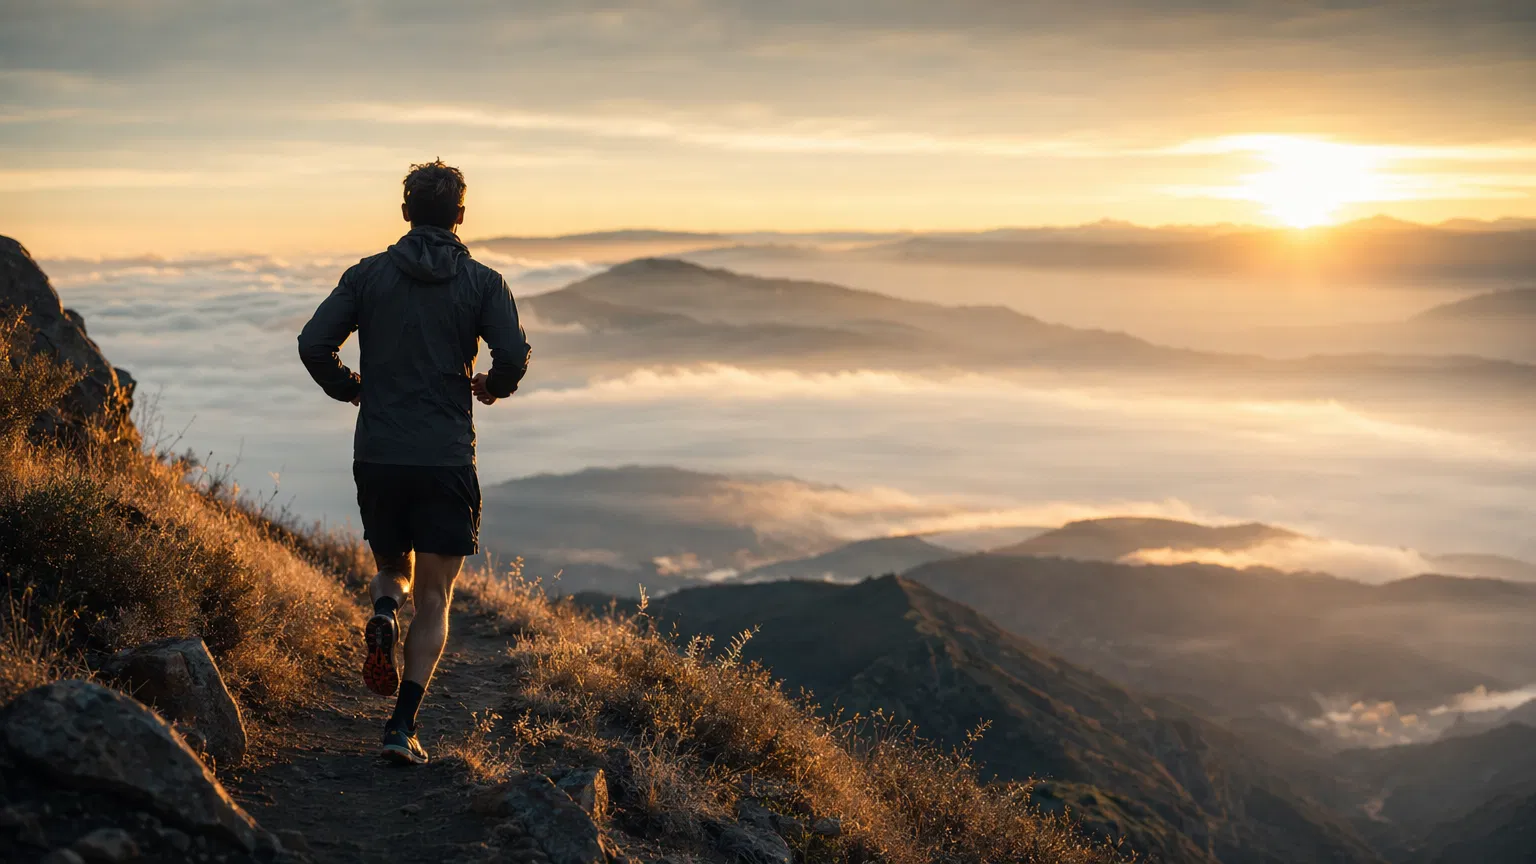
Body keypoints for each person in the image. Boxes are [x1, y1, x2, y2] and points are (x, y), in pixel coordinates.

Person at [297, 160, 531, 765]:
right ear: (460, 214)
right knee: (435, 598)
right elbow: (512, 353)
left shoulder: (366, 276)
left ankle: (381, 608)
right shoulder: (484, 283)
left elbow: (312, 343)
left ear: (405, 213)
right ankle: (401, 728)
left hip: (379, 452)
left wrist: (353, 389)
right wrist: (491, 387)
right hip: (445, 457)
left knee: (390, 566)